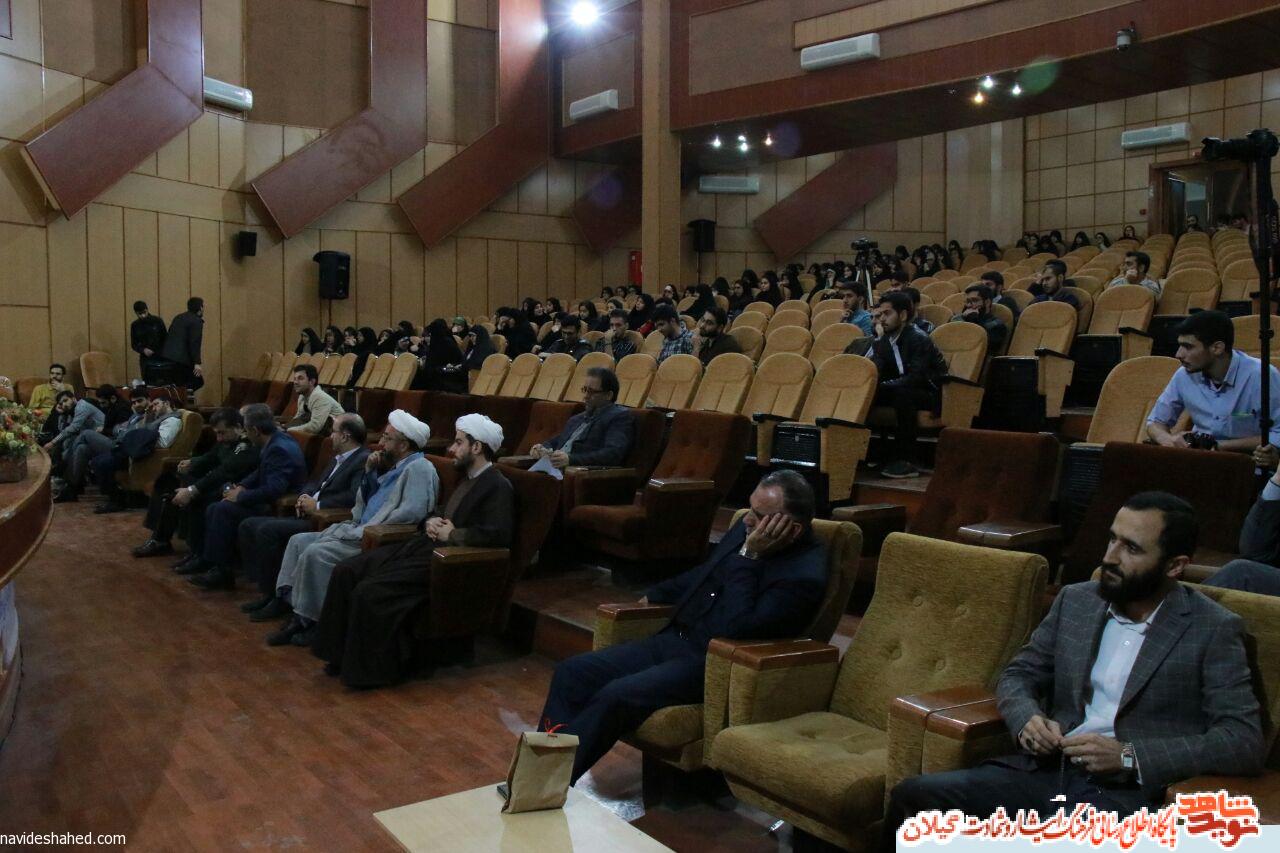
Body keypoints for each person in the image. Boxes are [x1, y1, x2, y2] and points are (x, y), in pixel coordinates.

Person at [883, 492, 1263, 849]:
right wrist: (1027, 720)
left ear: (1174, 566)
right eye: (1112, 539)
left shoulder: (1212, 628)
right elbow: (1018, 675)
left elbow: (1242, 740)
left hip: (1121, 796)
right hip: (1047, 769)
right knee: (914, 799)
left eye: (1131, 548)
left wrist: (1129, 756)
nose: (1110, 557)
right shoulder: (1077, 600)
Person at [539, 470, 827, 783]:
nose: (746, 519)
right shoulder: (745, 529)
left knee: (615, 695)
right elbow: (706, 573)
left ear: (791, 529)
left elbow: (737, 627)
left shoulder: (803, 576)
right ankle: (535, 770)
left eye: (758, 516)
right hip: (674, 640)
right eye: (749, 508)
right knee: (572, 672)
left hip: (711, 662)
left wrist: (750, 557)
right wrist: (656, 594)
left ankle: (546, 785)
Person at [312, 414, 514, 687]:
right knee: (346, 570)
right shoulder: (467, 477)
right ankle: (336, 654)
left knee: (369, 592)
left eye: (458, 443)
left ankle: (366, 672)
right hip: (423, 545)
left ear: (476, 447)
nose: (451, 449)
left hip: (448, 562)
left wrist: (453, 534)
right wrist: (432, 521)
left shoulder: (498, 485)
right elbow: (441, 512)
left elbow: (497, 535)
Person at [266, 410, 439, 646]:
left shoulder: (420, 468)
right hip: (359, 527)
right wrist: (370, 472)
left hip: (376, 539)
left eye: (387, 438)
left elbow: (411, 513)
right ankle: (292, 608)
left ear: (403, 445)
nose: (380, 443)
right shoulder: (392, 466)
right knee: (298, 541)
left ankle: (316, 621)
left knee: (316, 554)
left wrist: (368, 529)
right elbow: (366, 502)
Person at [234, 413, 372, 622]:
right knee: (248, 525)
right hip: (308, 513)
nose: (330, 436)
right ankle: (268, 592)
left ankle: (278, 599)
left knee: (266, 531)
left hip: (326, 520)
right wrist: (304, 496)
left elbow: (353, 496)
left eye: (334, 432)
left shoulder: (361, 460)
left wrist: (318, 505)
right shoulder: (339, 457)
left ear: (345, 436)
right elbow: (315, 482)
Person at [179, 404, 307, 584]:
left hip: (278, 505)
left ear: (255, 430)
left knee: (220, 509)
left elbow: (274, 490)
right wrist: (240, 487)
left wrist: (240, 496)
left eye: (246, 430)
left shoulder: (279, 449)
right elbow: (259, 472)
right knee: (217, 506)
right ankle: (215, 565)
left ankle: (222, 571)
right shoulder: (275, 440)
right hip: (265, 496)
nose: (245, 435)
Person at [132, 407, 259, 560]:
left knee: (193, 495)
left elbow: (224, 471)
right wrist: (192, 462)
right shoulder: (226, 441)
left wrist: (192, 490)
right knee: (167, 480)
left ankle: (196, 553)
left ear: (238, 427)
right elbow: (210, 457)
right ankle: (159, 539)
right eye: (217, 433)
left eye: (222, 433)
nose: (218, 438)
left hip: (229, 487)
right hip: (215, 481)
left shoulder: (245, 446)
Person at [1147, 310, 1280, 452]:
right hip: (1200, 459)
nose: (1178, 354)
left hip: (1246, 460)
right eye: (1180, 345)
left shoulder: (1261, 375)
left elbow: (1278, 433)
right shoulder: (1184, 374)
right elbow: (1155, 422)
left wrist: (1218, 446)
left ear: (1217, 348)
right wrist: (1168, 440)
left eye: (1188, 347)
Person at [859, 292, 947, 479]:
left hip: (931, 393)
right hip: (903, 388)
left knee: (902, 394)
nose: (882, 319)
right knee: (864, 392)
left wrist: (884, 385)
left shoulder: (918, 338)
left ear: (903, 315)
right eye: (880, 314)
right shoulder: (887, 338)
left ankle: (907, 459)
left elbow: (916, 377)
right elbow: (878, 370)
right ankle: (863, 453)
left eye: (887, 313)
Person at [90, 396, 184, 514]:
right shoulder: (157, 418)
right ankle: (115, 497)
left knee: (102, 463)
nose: (153, 408)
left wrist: (142, 438)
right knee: (97, 460)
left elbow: (163, 442)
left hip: (145, 455)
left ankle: (116, 501)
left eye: (156, 404)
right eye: (153, 405)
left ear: (166, 404)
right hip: (135, 449)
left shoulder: (172, 420)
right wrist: (146, 421)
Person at [55, 387, 149, 503]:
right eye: (134, 402)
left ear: (148, 400)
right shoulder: (133, 414)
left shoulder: (133, 412)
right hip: (114, 440)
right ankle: (72, 488)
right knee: (82, 448)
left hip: (121, 447)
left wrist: (111, 430)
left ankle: (63, 468)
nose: (136, 405)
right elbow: (119, 429)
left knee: (85, 434)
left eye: (140, 401)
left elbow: (127, 432)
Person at [530, 368, 634, 469]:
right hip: (551, 469)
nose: (585, 396)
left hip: (578, 474)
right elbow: (557, 441)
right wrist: (542, 448)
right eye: (585, 390)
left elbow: (612, 454)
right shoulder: (577, 418)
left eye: (591, 392)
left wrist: (571, 460)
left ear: (608, 395)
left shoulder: (619, 417)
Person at [42, 390, 105, 471]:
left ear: (73, 398)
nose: (64, 405)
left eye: (65, 400)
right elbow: (62, 430)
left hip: (102, 435)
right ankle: (57, 469)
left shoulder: (82, 406)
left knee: (67, 450)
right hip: (88, 435)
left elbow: (73, 428)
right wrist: (61, 414)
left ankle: (63, 472)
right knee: (66, 443)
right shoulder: (71, 412)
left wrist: (52, 442)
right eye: (61, 404)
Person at [283, 364, 344, 435]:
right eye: (295, 379)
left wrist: (288, 430)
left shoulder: (320, 397)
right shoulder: (302, 396)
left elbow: (315, 427)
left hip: (337, 434)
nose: (295, 382)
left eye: (300, 378)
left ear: (312, 382)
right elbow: (299, 418)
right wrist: (285, 426)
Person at [160, 296, 205, 392]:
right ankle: (182, 397)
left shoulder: (178, 317)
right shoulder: (196, 321)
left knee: (179, 383)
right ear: (200, 308)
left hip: (168, 356)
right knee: (197, 382)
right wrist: (197, 363)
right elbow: (195, 342)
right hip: (182, 359)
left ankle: (179, 396)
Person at [411, 319, 467, 392]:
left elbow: (437, 364)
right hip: (441, 373)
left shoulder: (444, 342)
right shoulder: (446, 340)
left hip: (446, 378)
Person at [952, 284, 1008, 353]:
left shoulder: (997, 325)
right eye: (968, 301)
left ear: (987, 302)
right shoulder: (959, 319)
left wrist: (973, 319)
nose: (969, 305)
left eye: (974, 300)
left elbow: (981, 345)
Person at [131, 301, 167, 383]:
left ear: (147, 310)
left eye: (144, 312)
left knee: (161, 381)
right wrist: (143, 350)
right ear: (136, 313)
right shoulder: (135, 325)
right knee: (147, 381)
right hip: (145, 358)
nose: (143, 315)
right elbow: (134, 344)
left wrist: (159, 350)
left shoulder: (157, 321)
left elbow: (165, 338)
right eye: (140, 314)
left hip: (160, 356)